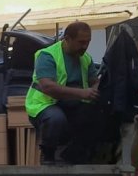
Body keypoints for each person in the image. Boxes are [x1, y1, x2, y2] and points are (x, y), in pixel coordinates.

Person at [25, 21, 101, 164]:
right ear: (67, 39)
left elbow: (94, 81)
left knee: (94, 114)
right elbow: (48, 87)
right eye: (81, 42)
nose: (85, 46)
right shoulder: (47, 56)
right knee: (56, 118)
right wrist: (82, 93)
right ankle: (48, 155)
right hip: (44, 105)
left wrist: (96, 89)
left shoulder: (86, 58)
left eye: (88, 42)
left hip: (71, 105)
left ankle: (75, 155)